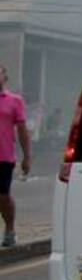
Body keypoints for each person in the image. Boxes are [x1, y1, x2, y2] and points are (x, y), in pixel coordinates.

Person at [0, 64, 31, 248]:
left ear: (4, 76)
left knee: (3, 196)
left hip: (4, 156)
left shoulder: (14, 101)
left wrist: (27, 156)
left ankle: (10, 228)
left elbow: (22, 131)